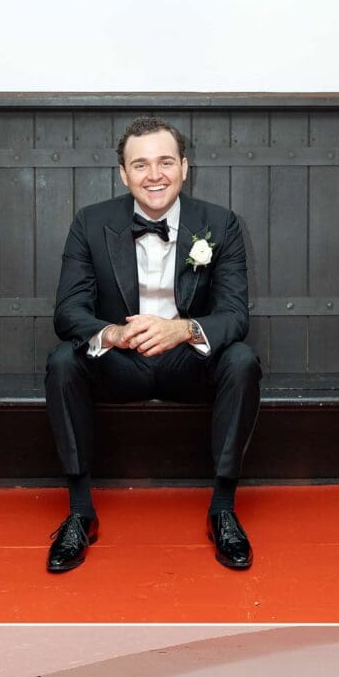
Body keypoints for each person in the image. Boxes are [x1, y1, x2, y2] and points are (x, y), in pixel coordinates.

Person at [44, 116, 260, 576]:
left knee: (242, 361)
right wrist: (116, 334)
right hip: (121, 362)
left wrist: (181, 330)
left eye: (165, 161)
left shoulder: (220, 224)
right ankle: (81, 512)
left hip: (188, 363)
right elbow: (68, 312)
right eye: (140, 164)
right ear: (124, 174)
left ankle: (222, 508)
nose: (154, 174)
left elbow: (234, 316)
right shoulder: (90, 222)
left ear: (184, 167)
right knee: (63, 360)